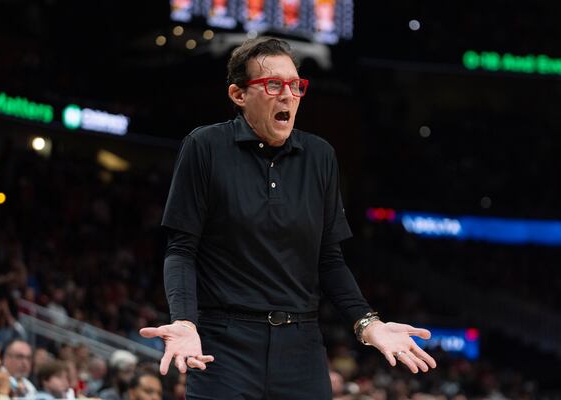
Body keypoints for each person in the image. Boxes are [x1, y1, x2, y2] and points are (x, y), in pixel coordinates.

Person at [140, 37, 437, 399]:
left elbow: (329, 260)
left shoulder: (320, 156)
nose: (288, 95)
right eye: (273, 85)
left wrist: (367, 323)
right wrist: (185, 321)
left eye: (295, 85)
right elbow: (181, 250)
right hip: (224, 345)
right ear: (238, 94)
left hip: (301, 348)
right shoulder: (204, 147)